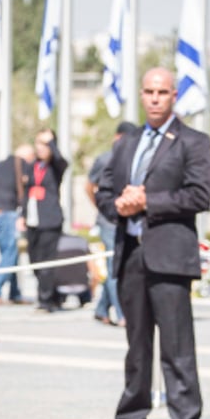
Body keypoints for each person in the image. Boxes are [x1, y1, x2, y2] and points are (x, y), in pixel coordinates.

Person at [89, 68, 210, 419]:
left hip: (170, 256)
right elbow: (105, 190)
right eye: (149, 91)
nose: (155, 98)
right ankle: (131, 418)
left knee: (177, 345)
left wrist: (149, 202)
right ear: (141, 95)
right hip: (131, 254)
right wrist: (120, 207)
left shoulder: (192, 141)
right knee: (136, 344)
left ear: (174, 95)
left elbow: (199, 196)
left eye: (162, 91)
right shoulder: (127, 143)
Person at [87, 121, 135, 326]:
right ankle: (122, 313)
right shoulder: (106, 158)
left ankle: (101, 308)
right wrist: (102, 207)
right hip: (108, 219)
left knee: (119, 264)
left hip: (125, 218)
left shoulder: (134, 157)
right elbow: (90, 186)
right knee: (114, 265)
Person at [24, 127, 69, 311]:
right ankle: (55, 295)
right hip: (32, 220)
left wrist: (52, 142)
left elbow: (61, 160)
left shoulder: (56, 167)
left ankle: (45, 301)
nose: (41, 148)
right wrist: (22, 216)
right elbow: (25, 193)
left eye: (45, 144)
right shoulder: (32, 165)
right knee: (34, 261)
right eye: (38, 143)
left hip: (50, 221)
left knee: (46, 262)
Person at [0, 143, 33, 304]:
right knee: (10, 252)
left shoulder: (0, 165)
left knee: (9, 250)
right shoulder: (23, 165)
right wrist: (23, 215)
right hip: (5, 211)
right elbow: (27, 191)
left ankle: (15, 292)